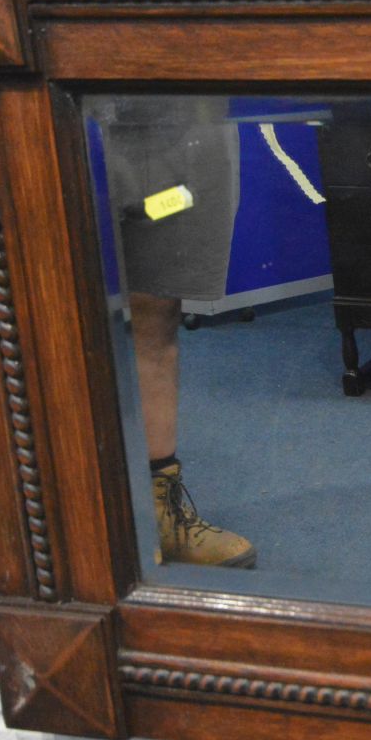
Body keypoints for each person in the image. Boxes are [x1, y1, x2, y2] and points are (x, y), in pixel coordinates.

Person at [100, 97, 257, 568]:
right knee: (57, 309)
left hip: (183, 120)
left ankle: (161, 517)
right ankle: (95, 519)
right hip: (74, 111)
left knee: (159, 309)